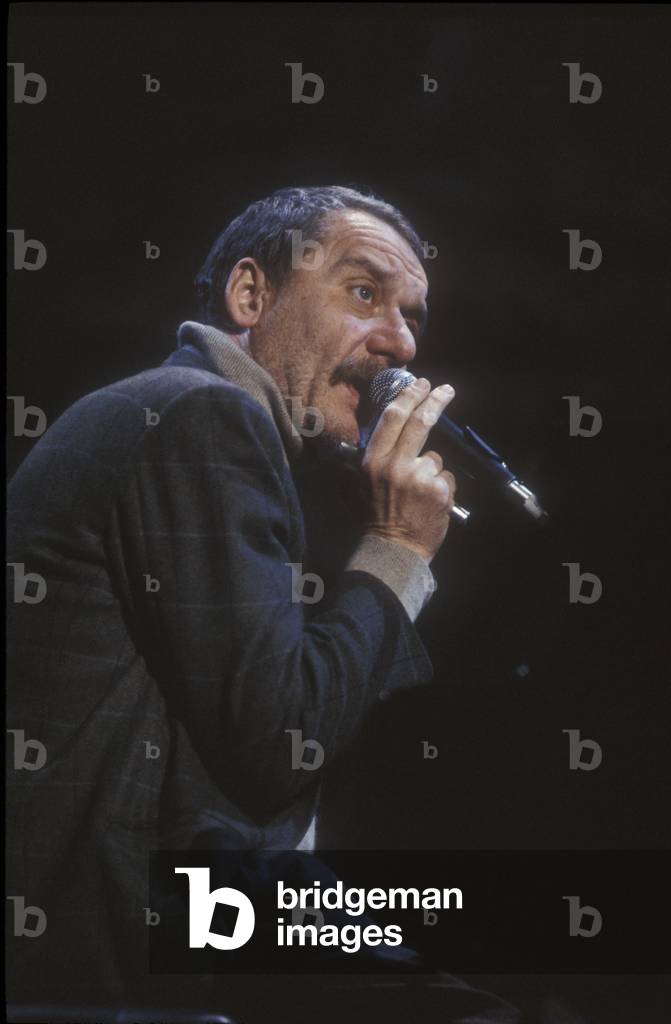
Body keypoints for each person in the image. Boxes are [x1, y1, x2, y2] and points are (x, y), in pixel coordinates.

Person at [7, 185, 519, 1022]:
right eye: (364, 292)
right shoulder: (202, 413)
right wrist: (397, 547)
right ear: (250, 295)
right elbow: (275, 742)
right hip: (93, 975)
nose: (398, 343)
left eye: (412, 318)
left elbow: (229, 773)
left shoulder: (196, 423)